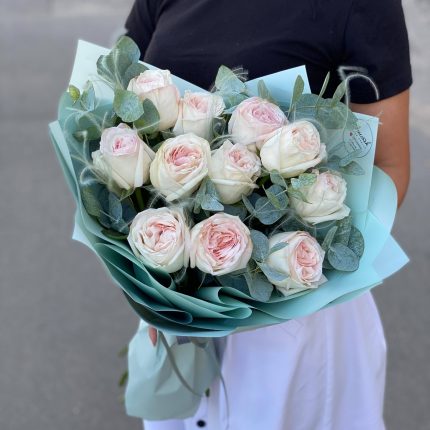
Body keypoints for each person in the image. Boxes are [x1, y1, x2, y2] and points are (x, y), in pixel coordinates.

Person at [125, 0, 412, 429]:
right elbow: (123, 110)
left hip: (298, 309)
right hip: (177, 306)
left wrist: (291, 270)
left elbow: (389, 166)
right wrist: (151, 283)